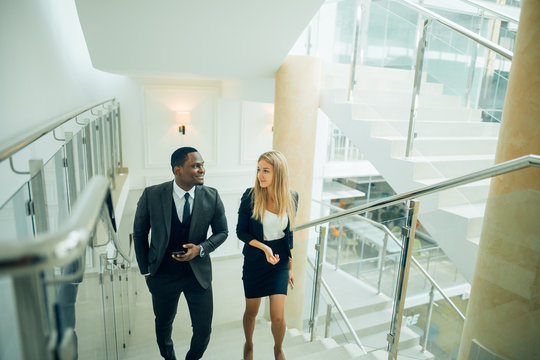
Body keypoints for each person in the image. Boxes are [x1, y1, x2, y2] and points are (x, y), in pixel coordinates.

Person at [133, 147, 228, 360]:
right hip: (162, 274)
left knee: (204, 331)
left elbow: (223, 232)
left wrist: (201, 248)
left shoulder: (211, 196)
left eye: (202, 165)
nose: (202, 170)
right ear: (178, 170)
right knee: (163, 327)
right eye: (195, 166)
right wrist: (146, 272)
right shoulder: (152, 195)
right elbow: (139, 234)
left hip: (198, 276)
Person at [236, 150, 298, 360]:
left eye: (266, 171)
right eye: (258, 170)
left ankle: (278, 348)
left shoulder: (292, 197)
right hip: (255, 260)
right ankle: (249, 343)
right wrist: (264, 248)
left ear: (278, 173)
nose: (260, 175)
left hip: (279, 262)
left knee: (278, 317)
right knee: (251, 312)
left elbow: (289, 235)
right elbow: (241, 232)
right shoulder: (250, 196)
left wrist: (290, 266)